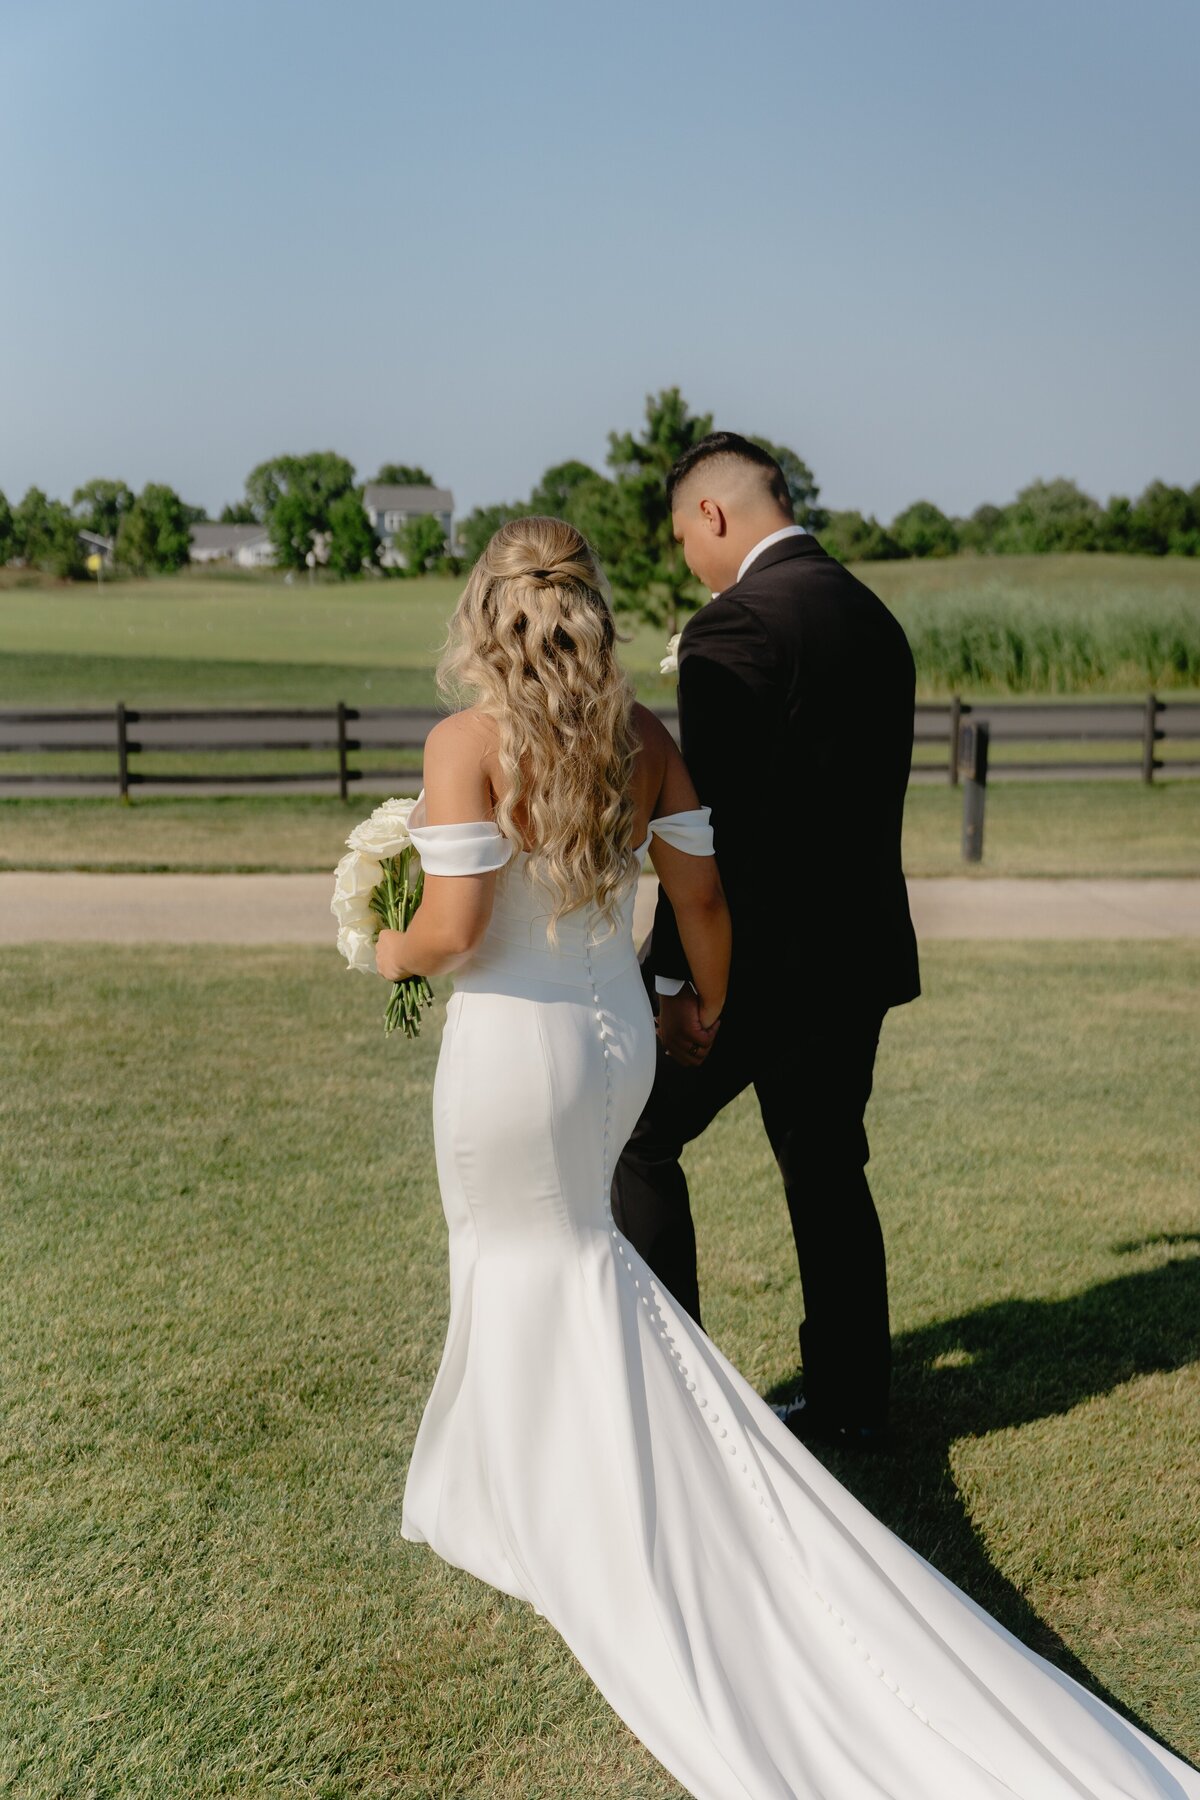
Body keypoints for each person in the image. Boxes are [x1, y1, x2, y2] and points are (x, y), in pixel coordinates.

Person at [378, 515, 1198, 1799]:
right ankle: (537, 1477)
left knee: (520, 1253)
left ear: (486, 616)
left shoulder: (464, 744)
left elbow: (456, 926)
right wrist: (698, 1006)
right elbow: (701, 897)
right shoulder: (640, 739)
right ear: (587, 610)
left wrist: (380, 946)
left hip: (517, 1048)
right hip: (612, 1038)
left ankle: (543, 1501)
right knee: (574, 1253)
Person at [613, 433, 920, 1449]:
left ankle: (680, 1400)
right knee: (827, 1168)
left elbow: (712, 836)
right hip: (856, 960)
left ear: (711, 514)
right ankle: (853, 1405)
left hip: (753, 970)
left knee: (638, 1140)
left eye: (682, 538)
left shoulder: (735, 625)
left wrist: (675, 985)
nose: (689, 561)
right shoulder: (871, 615)